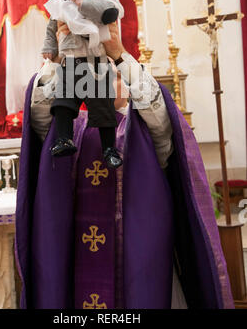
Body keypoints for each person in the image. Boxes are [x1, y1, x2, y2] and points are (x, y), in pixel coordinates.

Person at [15, 22, 234, 309]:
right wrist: (56, 60)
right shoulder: (68, 131)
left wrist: (120, 55)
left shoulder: (142, 130)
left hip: (135, 260)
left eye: (112, 76)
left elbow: (159, 110)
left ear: (130, 87)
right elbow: (38, 112)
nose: (101, 82)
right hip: (77, 258)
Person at [41, 0, 124, 168]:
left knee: (103, 107)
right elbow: (51, 28)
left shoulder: (105, 3)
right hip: (70, 62)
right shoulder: (62, 4)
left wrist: (84, 3)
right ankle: (64, 138)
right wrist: (49, 48)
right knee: (63, 102)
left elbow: (107, 16)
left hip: (98, 65)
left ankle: (109, 148)